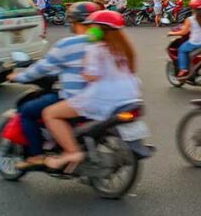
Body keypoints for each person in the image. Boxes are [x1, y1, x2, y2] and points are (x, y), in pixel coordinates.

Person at [42, 10, 141, 172]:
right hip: (130, 96)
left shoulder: (97, 49)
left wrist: (84, 64)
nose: (90, 30)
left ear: (99, 29)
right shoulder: (125, 49)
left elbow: (90, 76)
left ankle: (72, 152)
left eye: (93, 27)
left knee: (50, 113)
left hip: (102, 98)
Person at [7, 1, 97, 169]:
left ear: (73, 21)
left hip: (76, 99)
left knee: (27, 110)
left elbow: (41, 68)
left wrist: (19, 77)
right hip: (103, 98)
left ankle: (36, 155)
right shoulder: (105, 42)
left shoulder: (68, 44)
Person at [171, 0, 201, 78]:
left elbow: (183, 32)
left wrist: (171, 33)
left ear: (192, 9)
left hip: (195, 43)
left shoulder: (190, 19)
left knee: (181, 49)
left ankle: (183, 69)